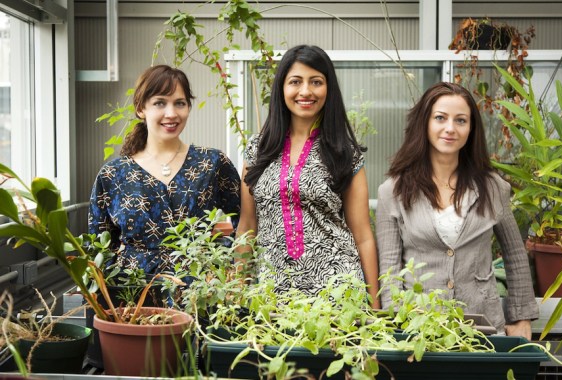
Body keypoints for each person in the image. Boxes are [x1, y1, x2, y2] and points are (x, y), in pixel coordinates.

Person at [376, 82, 538, 338]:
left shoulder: (493, 187)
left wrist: (521, 317)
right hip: (418, 332)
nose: (450, 128)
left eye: (461, 120)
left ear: (471, 128)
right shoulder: (392, 191)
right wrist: (397, 327)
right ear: (425, 123)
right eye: (440, 118)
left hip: (483, 329)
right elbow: (389, 270)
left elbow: (515, 255)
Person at [237, 45, 380, 308]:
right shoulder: (258, 150)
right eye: (295, 81)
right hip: (271, 297)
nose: (306, 91)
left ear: (329, 89)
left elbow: (363, 234)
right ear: (282, 88)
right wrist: (236, 297)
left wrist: (376, 307)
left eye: (316, 82)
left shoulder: (344, 153)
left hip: (338, 297)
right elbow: (247, 226)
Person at [88, 65, 241, 275]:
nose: (171, 114)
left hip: (201, 294)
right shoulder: (114, 174)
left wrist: (229, 266)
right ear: (141, 108)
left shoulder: (212, 163)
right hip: (135, 293)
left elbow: (245, 222)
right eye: (159, 103)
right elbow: (99, 249)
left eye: (180, 103)